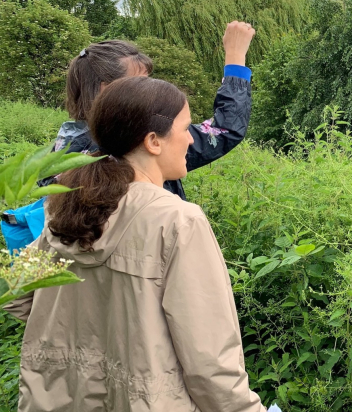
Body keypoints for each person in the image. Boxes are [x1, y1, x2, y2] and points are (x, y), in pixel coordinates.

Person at [4, 77, 269, 412]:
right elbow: (210, 364)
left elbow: (15, 295)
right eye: (186, 128)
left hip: (54, 399)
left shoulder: (63, 204)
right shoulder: (177, 220)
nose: (190, 139)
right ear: (153, 141)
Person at [45, 21, 256, 200]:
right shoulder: (135, 145)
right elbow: (223, 131)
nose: (147, 90)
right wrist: (235, 56)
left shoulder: (64, 148)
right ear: (105, 89)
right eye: (138, 82)